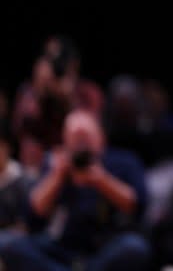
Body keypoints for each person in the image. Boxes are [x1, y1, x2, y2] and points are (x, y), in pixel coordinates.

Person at [0, 110, 151, 271]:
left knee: (135, 247)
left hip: (107, 246)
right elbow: (32, 214)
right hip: (63, 248)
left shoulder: (123, 161)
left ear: (100, 136)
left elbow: (138, 205)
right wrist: (57, 177)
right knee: (7, 243)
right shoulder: (56, 166)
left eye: (85, 139)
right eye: (76, 140)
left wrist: (101, 180)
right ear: (65, 141)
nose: (81, 147)